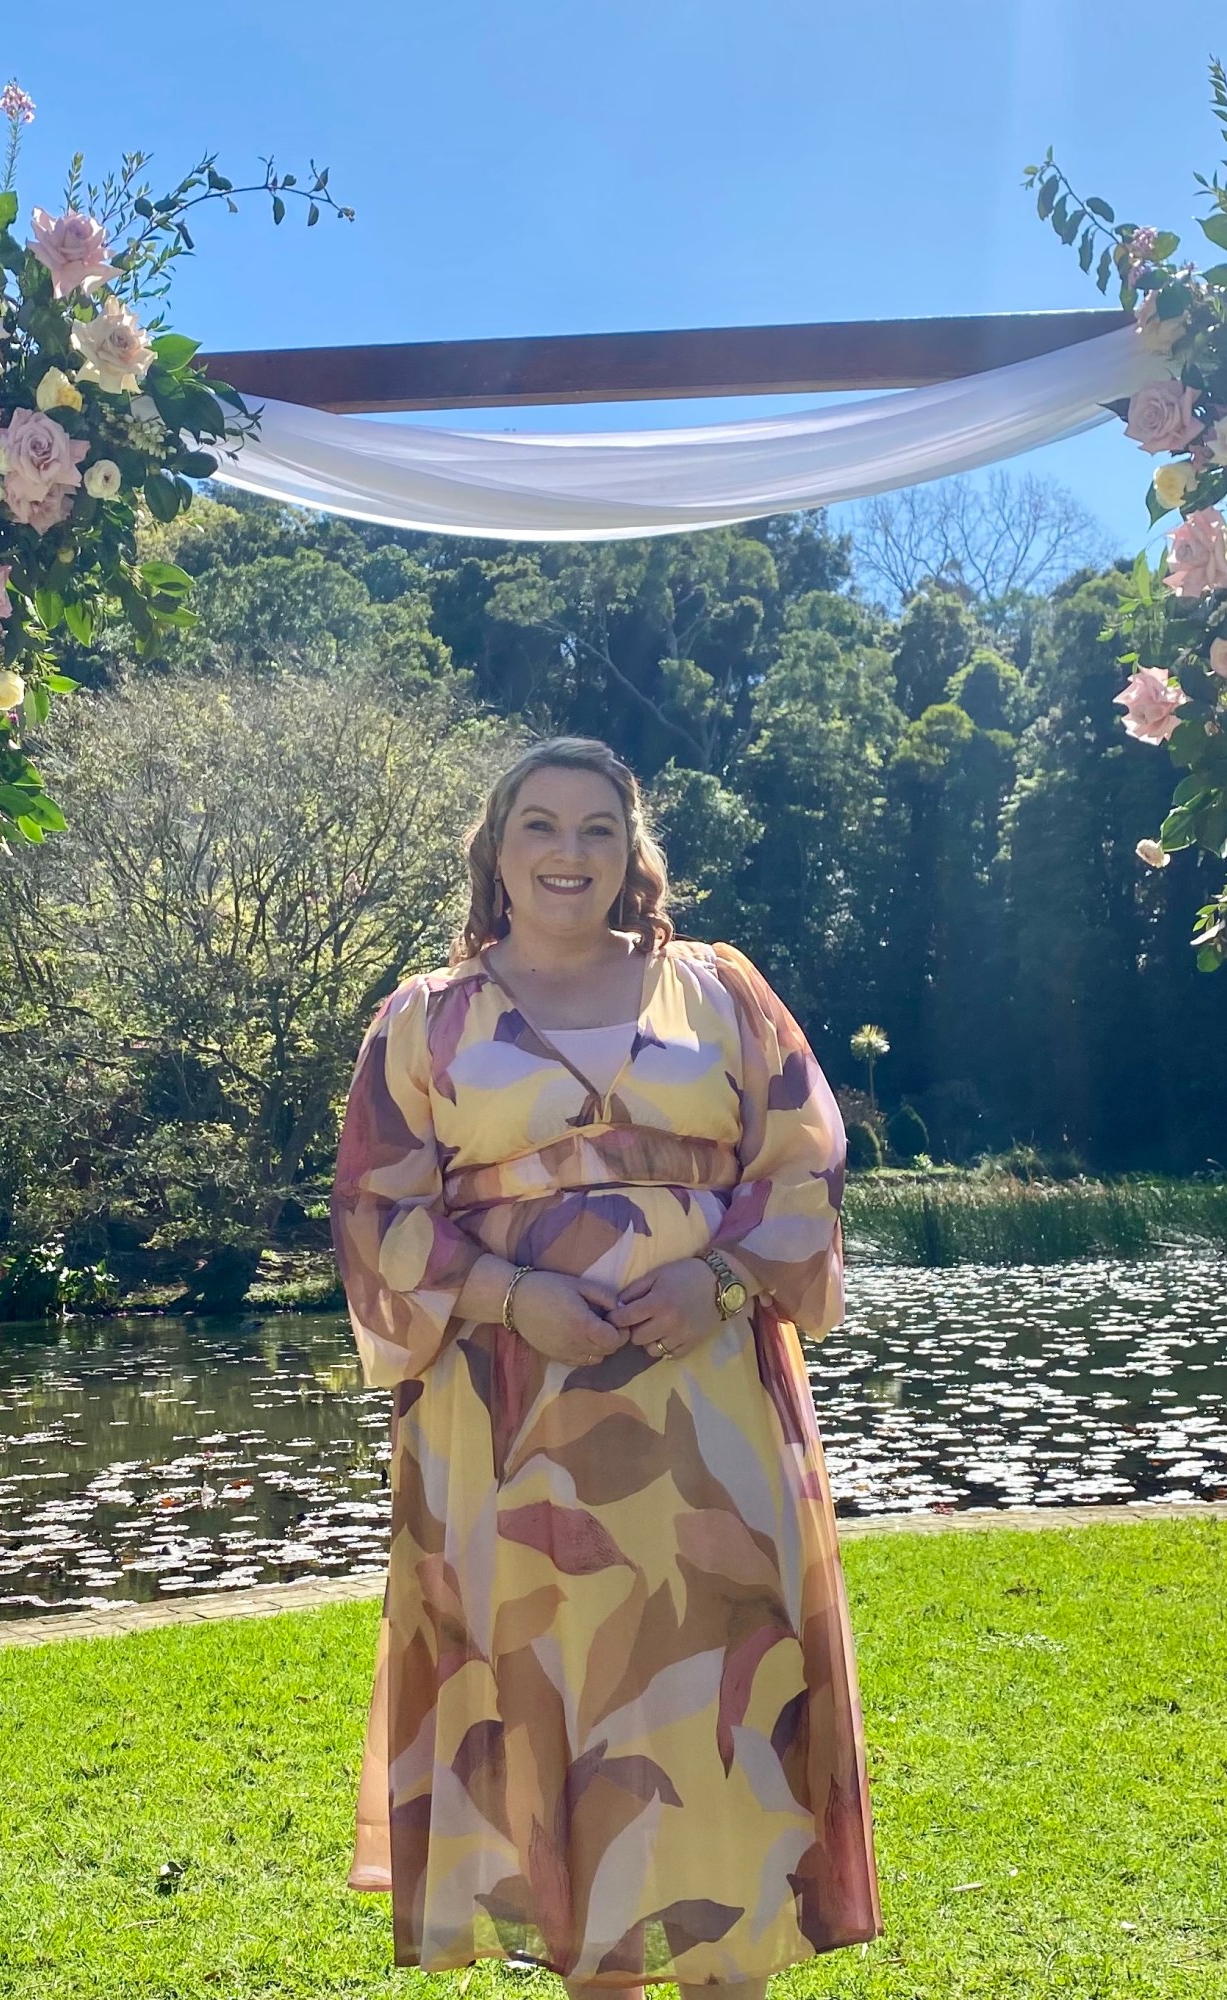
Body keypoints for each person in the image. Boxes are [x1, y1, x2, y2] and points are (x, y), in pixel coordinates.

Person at [332, 736, 879, 1995]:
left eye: (596, 827)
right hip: (509, 1426)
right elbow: (374, 1206)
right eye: (538, 824)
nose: (567, 852)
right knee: (557, 1714)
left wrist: (720, 1278)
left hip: (708, 1411)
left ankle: (726, 1973)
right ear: (495, 851)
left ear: (635, 851)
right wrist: (510, 1292)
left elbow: (801, 1159)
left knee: (715, 1709)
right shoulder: (424, 1019)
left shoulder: (722, 989)